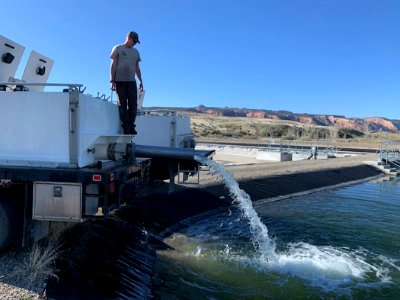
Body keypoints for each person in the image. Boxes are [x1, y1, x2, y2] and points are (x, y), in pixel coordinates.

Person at [110, 31, 143, 134]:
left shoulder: (136, 52)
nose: (134, 43)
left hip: (131, 82)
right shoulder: (118, 48)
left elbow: (137, 68)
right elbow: (113, 65)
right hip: (120, 81)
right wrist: (112, 80)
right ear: (129, 38)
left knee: (133, 105)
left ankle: (131, 126)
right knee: (122, 105)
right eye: (134, 41)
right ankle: (126, 128)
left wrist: (141, 81)